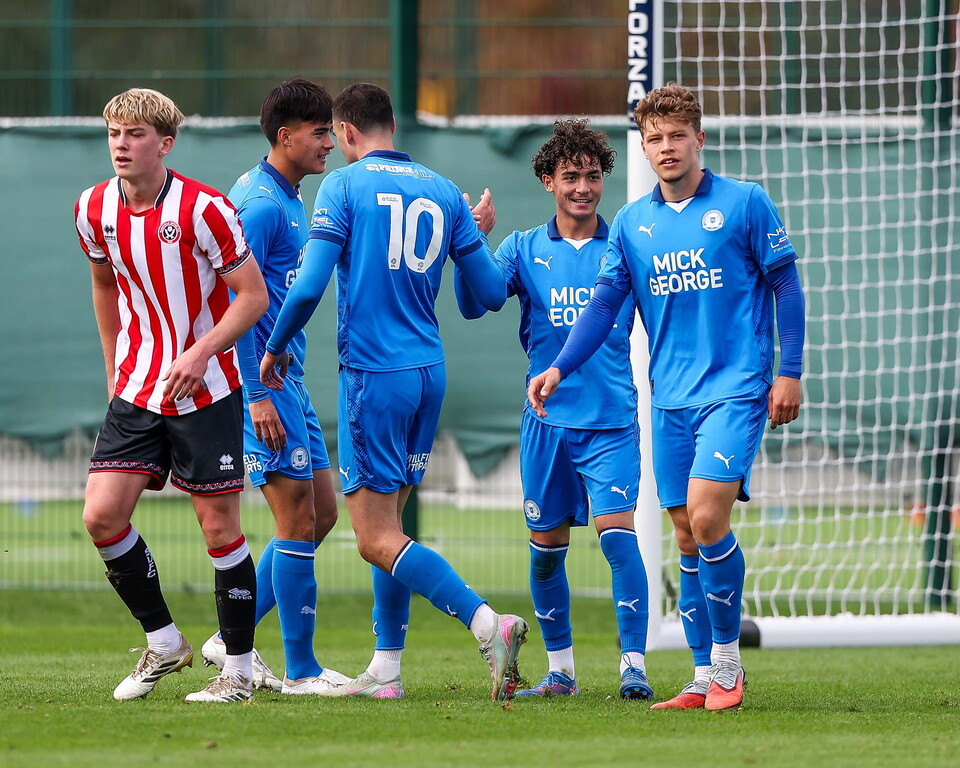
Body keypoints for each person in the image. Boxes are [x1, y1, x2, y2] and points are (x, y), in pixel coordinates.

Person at [528, 84, 805, 711]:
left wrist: (789, 371)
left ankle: (728, 667)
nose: (666, 147)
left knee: (707, 518)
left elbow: (786, 286)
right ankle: (703, 675)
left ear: (698, 139)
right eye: (654, 138)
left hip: (736, 389)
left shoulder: (744, 203)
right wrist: (560, 368)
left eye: (677, 135)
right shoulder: (632, 223)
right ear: (645, 149)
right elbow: (604, 306)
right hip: (670, 398)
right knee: (684, 536)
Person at [259, 82, 529, 701]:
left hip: (374, 375)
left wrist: (273, 348)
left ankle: (488, 623)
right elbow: (490, 293)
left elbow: (308, 286)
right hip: (428, 373)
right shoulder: (442, 190)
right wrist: (473, 235)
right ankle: (387, 668)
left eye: (334, 134)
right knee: (394, 526)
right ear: (394, 127)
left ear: (347, 132)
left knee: (374, 538)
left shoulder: (342, 186)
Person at [75, 88, 269, 702]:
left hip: (207, 389)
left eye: (135, 134)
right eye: (114, 134)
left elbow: (253, 296)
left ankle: (239, 671)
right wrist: (114, 368)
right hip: (137, 387)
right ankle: (164, 642)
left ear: (165, 143)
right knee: (101, 516)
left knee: (219, 528)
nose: (121, 145)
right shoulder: (92, 209)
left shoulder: (205, 209)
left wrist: (201, 351)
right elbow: (104, 286)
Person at [456, 119, 653, 700]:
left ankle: (634, 667)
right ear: (548, 181)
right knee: (546, 553)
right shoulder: (523, 248)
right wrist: (470, 243)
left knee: (618, 539)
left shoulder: (625, 246)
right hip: (546, 425)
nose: (583, 188)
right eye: (571, 177)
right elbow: (475, 304)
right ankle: (561, 673)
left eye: (592, 176)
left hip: (610, 420)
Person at [198, 77, 349, 696]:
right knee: (295, 519)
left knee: (323, 512)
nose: (329, 144)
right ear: (286, 136)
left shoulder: (287, 196)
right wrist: (257, 395)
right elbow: (233, 303)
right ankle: (301, 670)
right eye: (319, 133)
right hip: (261, 382)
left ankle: (226, 637)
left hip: (287, 378)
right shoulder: (260, 205)